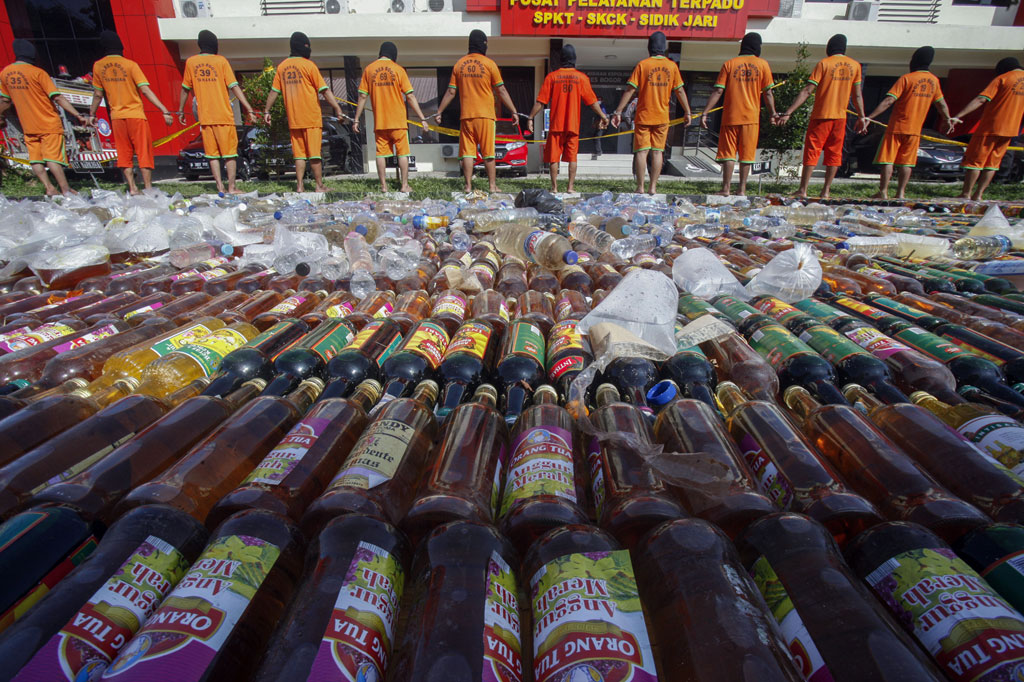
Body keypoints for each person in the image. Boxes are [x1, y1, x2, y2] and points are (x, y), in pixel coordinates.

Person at [776, 34, 864, 199]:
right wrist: (862, 117)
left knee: (812, 152)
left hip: (821, 116)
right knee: (834, 154)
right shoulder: (855, 66)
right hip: (840, 117)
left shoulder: (824, 64)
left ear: (829, 47)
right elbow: (857, 95)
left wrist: (789, 112)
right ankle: (826, 191)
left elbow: (808, 90)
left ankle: (803, 189)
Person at [89, 30, 174, 195]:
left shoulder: (98, 66)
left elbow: (98, 94)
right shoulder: (130, 65)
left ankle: (132, 188)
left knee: (124, 153)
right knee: (144, 152)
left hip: (117, 117)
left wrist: (91, 114)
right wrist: (163, 109)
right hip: (136, 115)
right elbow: (145, 90)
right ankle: (148, 187)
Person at [859, 46, 950, 200]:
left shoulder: (907, 79)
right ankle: (900, 193)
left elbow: (889, 101)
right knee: (906, 163)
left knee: (888, 160)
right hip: (915, 130)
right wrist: (947, 119)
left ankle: (883, 191)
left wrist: (870, 117)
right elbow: (941, 104)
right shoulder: (934, 81)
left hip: (897, 127)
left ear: (914, 61)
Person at [434, 30, 520, 193]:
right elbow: (501, 90)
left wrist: (439, 111)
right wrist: (513, 110)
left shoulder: (459, 64)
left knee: (467, 153)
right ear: (483, 44)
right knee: (488, 152)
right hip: (486, 116)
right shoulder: (489, 64)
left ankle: (468, 186)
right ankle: (492, 186)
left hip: (467, 116)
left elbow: (451, 92)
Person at [0, 40, 86, 195]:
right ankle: (65, 188)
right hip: (48, 122)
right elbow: (57, 97)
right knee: (52, 159)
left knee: (36, 159)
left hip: (28, 124)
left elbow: (5, 101)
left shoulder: (5, 73)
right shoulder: (38, 73)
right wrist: (77, 114)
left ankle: (49, 188)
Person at [263, 32, 345, 193]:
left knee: (299, 155)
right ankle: (319, 185)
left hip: (294, 119)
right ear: (304, 47)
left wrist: (266, 110)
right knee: (315, 154)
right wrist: (337, 108)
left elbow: (274, 92)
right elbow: (325, 91)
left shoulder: (282, 67)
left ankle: (299, 185)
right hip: (311, 118)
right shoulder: (309, 66)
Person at [610, 32, 691, 195]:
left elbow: (630, 89)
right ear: (664, 48)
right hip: (662, 117)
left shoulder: (643, 65)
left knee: (641, 152)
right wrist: (688, 112)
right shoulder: (672, 66)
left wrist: (618, 111)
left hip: (644, 116)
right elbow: (680, 91)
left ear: (649, 47)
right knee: (658, 152)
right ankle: (653, 187)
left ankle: (640, 187)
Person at [177, 30, 255, 195]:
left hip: (205, 118)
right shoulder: (221, 61)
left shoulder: (191, 62)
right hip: (224, 116)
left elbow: (185, 89)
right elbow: (234, 86)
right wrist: (248, 107)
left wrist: (180, 110)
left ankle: (219, 187)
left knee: (212, 155)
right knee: (230, 154)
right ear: (214, 44)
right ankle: (232, 187)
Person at [700, 33, 776, 197]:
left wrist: (705, 112)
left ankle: (726, 188)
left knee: (728, 154)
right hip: (751, 119)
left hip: (731, 117)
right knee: (746, 155)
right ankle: (741, 190)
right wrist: (773, 113)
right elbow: (768, 93)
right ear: (757, 47)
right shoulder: (763, 65)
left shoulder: (730, 64)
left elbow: (718, 90)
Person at [525, 45, 608, 194]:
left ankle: (554, 188)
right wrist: (603, 116)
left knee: (553, 158)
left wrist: (530, 117)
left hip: (556, 125)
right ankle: (570, 187)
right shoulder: (581, 78)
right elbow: (592, 102)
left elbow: (541, 102)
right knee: (572, 158)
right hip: (573, 125)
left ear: (561, 59)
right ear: (574, 59)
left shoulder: (552, 77)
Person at [353, 42, 430, 193]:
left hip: (380, 122)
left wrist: (356, 119)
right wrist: (422, 118)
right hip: (398, 122)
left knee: (381, 154)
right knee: (403, 153)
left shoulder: (369, 69)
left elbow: (362, 96)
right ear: (393, 54)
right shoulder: (398, 70)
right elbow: (410, 96)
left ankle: (383, 187)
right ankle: (404, 185)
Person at [948, 57, 1024, 201]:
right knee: (993, 164)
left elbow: (981, 99)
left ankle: (966, 194)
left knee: (975, 162)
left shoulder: (1003, 78)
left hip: (991, 127)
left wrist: (958, 115)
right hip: (1011, 130)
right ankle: (979, 194)